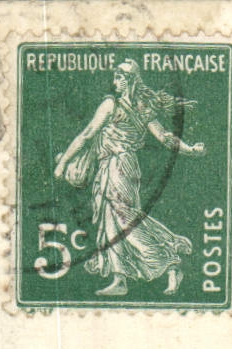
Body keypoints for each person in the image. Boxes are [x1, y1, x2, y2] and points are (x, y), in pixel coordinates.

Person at [53, 58, 205, 296]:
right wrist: (190, 149)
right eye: (116, 77)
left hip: (117, 166)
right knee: (112, 220)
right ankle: (120, 278)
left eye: (119, 77)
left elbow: (87, 135)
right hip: (120, 166)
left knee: (123, 220)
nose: (115, 81)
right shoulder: (141, 108)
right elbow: (165, 137)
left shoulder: (111, 105)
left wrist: (63, 162)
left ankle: (168, 260)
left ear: (129, 80)